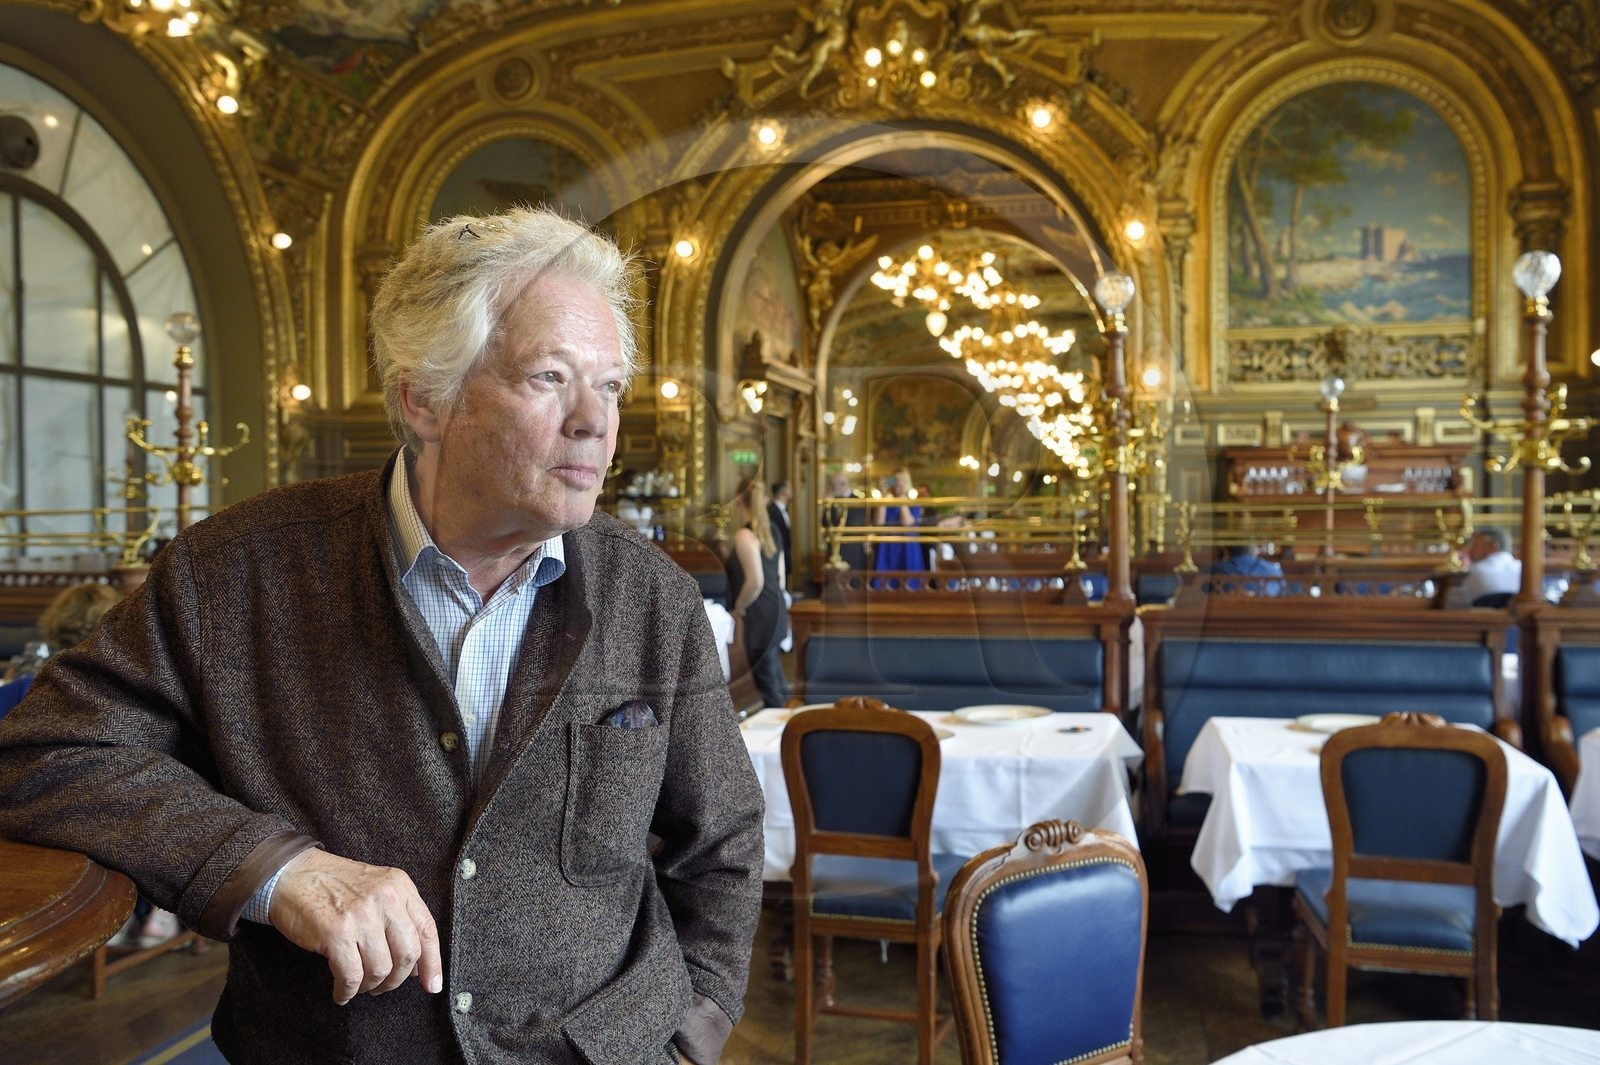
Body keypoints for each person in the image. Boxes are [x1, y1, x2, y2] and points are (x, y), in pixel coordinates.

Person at [0, 208, 764, 1065]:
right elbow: (45, 754)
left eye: (612, 384)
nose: (596, 420)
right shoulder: (237, 573)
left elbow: (723, 844)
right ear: (423, 399)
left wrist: (690, 1039)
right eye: (551, 377)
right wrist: (276, 869)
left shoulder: (650, 595)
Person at [727, 476, 790, 709]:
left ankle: (783, 737)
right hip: (776, 606)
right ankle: (788, 725)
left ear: (737, 501)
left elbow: (755, 582)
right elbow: (781, 577)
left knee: (767, 681)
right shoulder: (772, 530)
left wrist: (738, 608)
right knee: (775, 677)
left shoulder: (744, 535)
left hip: (759, 611)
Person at [873, 468, 927, 573]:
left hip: (907, 546)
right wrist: (884, 496)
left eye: (902, 480)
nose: (899, 483)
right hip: (887, 544)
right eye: (895, 480)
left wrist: (902, 499)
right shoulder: (887, 500)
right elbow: (879, 523)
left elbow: (907, 523)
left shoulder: (914, 502)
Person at [820, 470, 868, 570]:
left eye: (832, 485)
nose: (830, 488)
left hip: (852, 553)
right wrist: (827, 506)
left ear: (843, 484)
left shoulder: (858, 501)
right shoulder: (832, 502)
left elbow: (853, 524)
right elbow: (825, 524)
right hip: (833, 553)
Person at [1462, 525, 1521, 605]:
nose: (1470, 551)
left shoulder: (1475, 571)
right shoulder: (1524, 569)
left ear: (1493, 547)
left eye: (1475, 545)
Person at [1209, 544, 1284, 596]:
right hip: (1266, 615)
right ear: (1254, 550)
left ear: (1226, 551)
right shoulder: (1273, 570)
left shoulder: (1211, 570)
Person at [767, 480, 794, 583]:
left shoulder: (784, 510)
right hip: (777, 552)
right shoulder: (772, 510)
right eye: (789, 489)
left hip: (785, 551)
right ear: (783, 492)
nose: (792, 492)